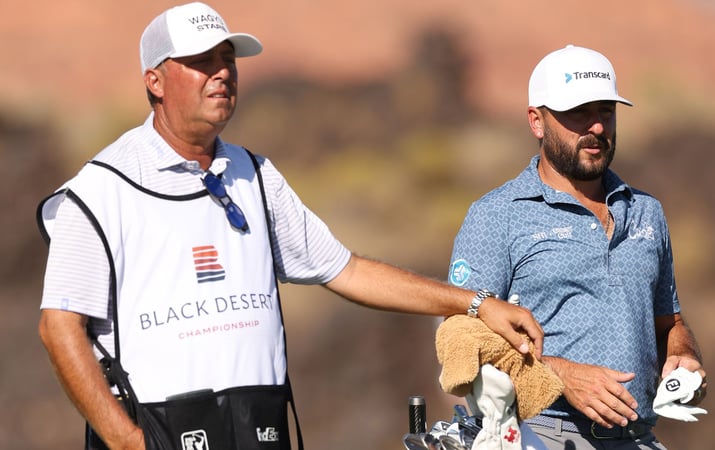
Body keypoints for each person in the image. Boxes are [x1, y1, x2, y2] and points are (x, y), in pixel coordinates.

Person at [35, 3, 545, 450]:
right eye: (200, 62)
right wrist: (127, 441)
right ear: (154, 80)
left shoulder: (255, 175)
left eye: (227, 60)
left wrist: (476, 303)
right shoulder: (101, 189)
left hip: (259, 425)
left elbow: (346, 271)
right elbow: (59, 329)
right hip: (159, 427)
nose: (222, 74)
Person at [447, 45, 707, 449]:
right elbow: (461, 341)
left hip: (639, 438)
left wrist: (685, 356)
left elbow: (667, 323)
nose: (598, 128)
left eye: (605, 111)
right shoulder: (497, 214)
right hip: (540, 433)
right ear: (537, 121)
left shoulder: (647, 213)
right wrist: (560, 374)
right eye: (577, 114)